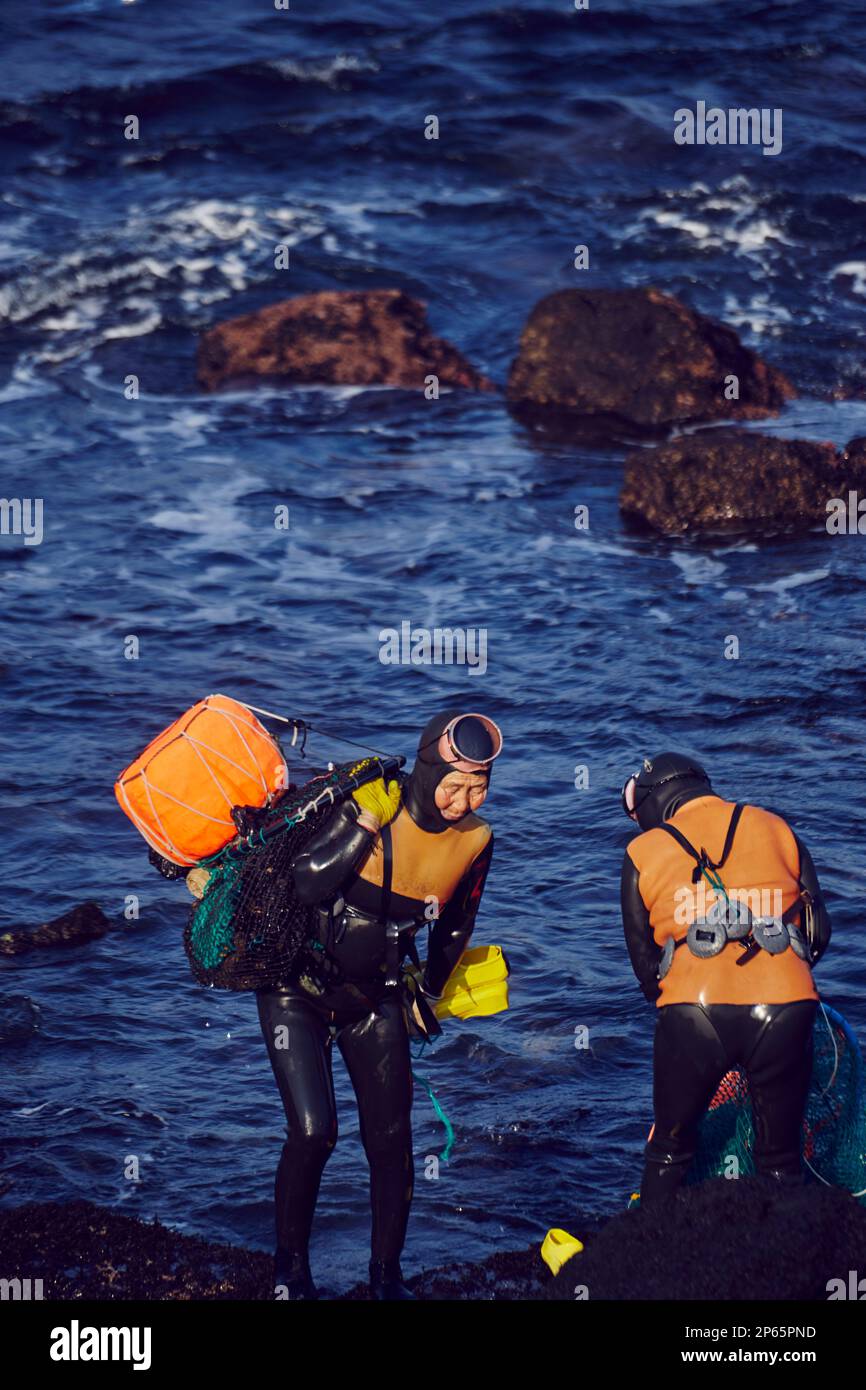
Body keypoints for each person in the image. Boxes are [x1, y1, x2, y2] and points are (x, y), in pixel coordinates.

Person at [257, 710, 501, 1299]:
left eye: (479, 786)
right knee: (315, 1133)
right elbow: (307, 884)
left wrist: (434, 995)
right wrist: (365, 822)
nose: (464, 800)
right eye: (454, 782)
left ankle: (386, 1277)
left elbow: (454, 929)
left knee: (390, 1141)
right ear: (426, 767)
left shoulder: (477, 842)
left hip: (377, 999)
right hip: (298, 992)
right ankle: (290, 1270)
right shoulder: (370, 805)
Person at [619, 752, 831, 1209]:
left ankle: (648, 1257)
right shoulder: (777, 827)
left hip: (694, 1011)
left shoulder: (642, 851)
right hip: (786, 1002)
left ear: (656, 799)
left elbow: (645, 968)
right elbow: (818, 934)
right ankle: (787, 1260)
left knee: (670, 1152)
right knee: (780, 1161)